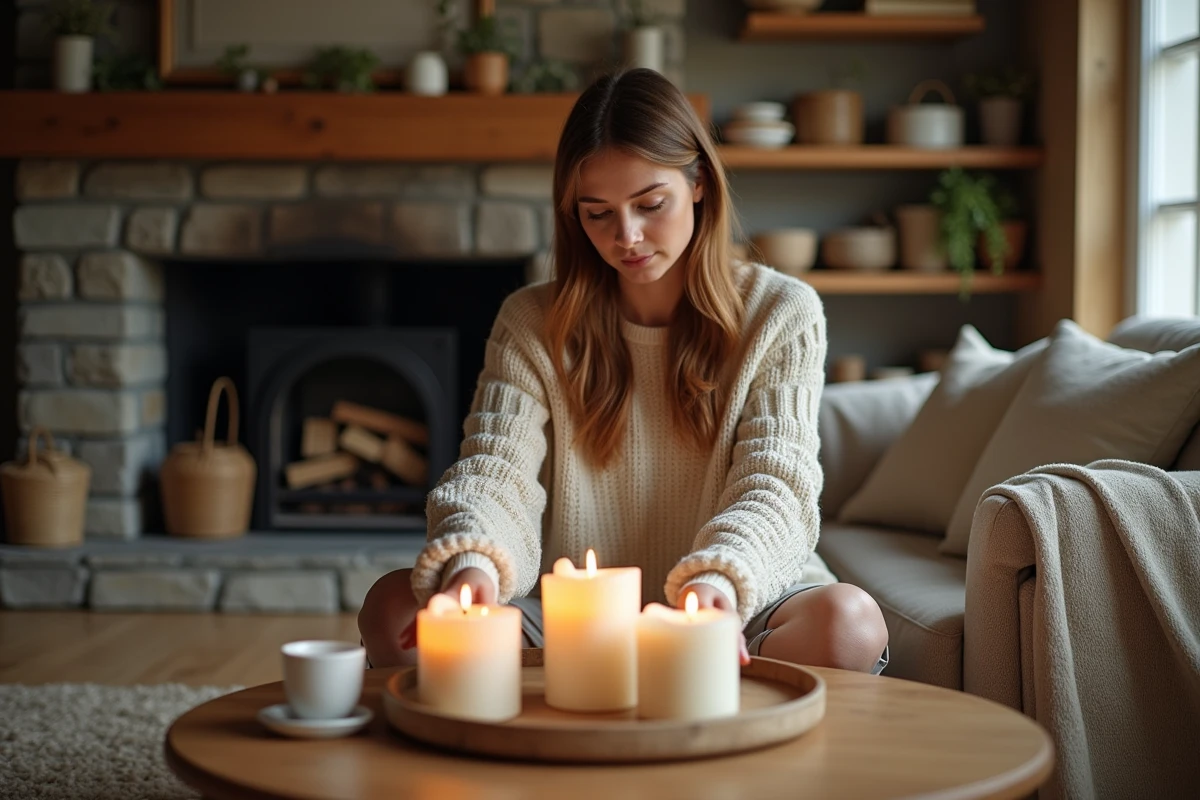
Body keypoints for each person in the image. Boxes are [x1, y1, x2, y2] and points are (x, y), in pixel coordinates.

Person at [359, 68, 889, 674]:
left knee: (849, 624)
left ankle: (690, 677)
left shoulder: (781, 313)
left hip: (732, 604)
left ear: (698, 185)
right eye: (598, 213)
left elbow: (778, 482)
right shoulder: (531, 320)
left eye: (650, 204)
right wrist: (473, 562)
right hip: (569, 618)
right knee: (395, 606)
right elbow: (495, 470)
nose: (627, 237)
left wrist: (720, 580)